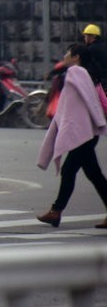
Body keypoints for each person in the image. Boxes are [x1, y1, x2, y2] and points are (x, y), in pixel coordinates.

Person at [36, 43, 107, 229]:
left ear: (76, 57)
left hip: (81, 134)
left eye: (67, 53)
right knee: (92, 174)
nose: (65, 56)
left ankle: (56, 211)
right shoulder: (90, 76)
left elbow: (74, 107)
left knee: (73, 172)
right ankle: (56, 211)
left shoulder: (76, 74)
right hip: (87, 133)